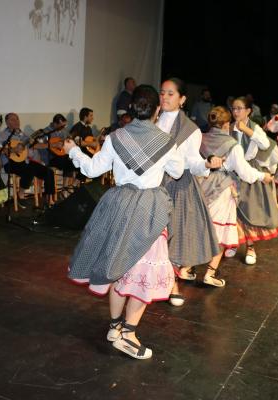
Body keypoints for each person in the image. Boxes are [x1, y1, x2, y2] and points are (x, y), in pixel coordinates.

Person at [64, 84, 184, 360]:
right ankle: (127, 335)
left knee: (116, 267)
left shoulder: (116, 137)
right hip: (148, 211)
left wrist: (73, 150)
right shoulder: (165, 141)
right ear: (156, 110)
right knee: (143, 276)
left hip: (118, 207)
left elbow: (92, 169)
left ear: (132, 109)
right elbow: (177, 171)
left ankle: (115, 326)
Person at [157, 78, 222, 304]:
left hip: (177, 186)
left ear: (182, 99)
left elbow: (193, 161)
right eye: (162, 92)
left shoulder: (190, 129)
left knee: (172, 235)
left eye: (170, 94)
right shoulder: (151, 121)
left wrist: (206, 163)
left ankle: (172, 283)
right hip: (149, 183)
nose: (164, 97)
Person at [199, 106, 272, 281]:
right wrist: (263, 176)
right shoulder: (232, 146)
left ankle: (186, 269)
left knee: (202, 227)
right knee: (220, 232)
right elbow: (245, 172)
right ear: (226, 125)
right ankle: (209, 273)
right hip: (222, 188)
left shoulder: (201, 139)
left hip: (201, 185)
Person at [228, 97, 278, 264]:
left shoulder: (254, 127)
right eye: (234, 109)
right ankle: (233, 243)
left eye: (239, 108)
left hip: (249, 171)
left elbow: (265, 144)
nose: (235, 112)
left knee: (248, 210)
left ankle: (250, 247)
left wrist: (246, 130)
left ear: (248, 111)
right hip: (231, 172)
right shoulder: (229, 127)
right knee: (231, 210)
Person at [0, 113, 56, 207]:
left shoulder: (22, 134)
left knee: (48, 172)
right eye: (13, 119)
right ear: (7, 122)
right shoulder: (2, 135)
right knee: (29, 170)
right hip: (10, 163)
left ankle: (48, 198)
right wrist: (13, 150)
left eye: (17, 119)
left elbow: (33, 145)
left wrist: (34, 143)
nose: (16, 121)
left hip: (25, 162)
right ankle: (21, 195)